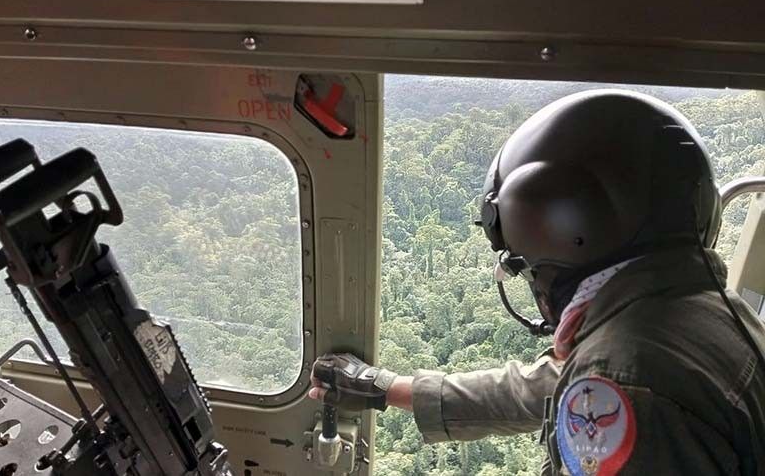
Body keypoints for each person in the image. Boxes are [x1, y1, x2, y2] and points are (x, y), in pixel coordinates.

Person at [309, 90, 765, 475]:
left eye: (524, 264)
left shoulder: (625, 378)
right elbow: (544, 385)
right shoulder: (690, 312)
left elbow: (595, 384)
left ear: (567, 232)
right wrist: (384, 386)